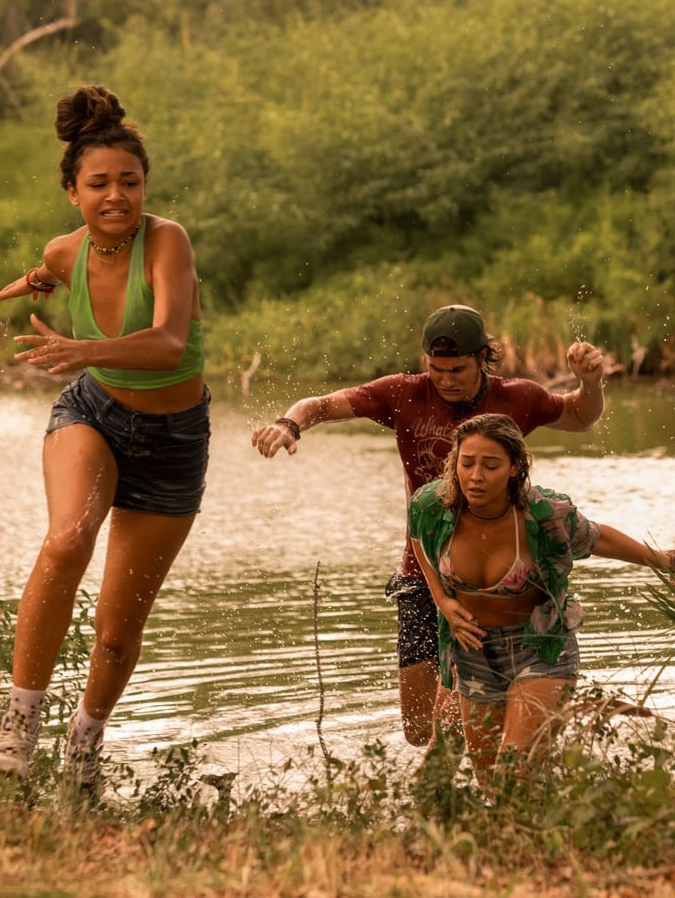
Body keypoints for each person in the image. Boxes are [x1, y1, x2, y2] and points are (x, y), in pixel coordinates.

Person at [0, 85, 209, 789]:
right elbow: (53, 268)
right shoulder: (65, 247)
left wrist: (83, 348)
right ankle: (16, 734)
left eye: (129, 182)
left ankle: (83, 745)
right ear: (73, 191)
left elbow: (170, 341)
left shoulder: (167, 241)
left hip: (173, 436)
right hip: (94, 413)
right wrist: (25, 286)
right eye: (99, 183)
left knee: (115, 629)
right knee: (67, 537)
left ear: (145, 187)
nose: (117, 195)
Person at [251, 304, 605, 746]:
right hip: (423, 572)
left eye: (457, 369)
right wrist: (290, 423)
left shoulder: (518, 398)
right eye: (435, 369)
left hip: (493, 578)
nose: (445, 379)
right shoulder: (403, 393)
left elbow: (579, 416)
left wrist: (591, 383)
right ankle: (469, 771)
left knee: (456, 725)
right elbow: (320, 405)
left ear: (484, 357)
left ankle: (496, 774)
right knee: (420, 730)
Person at [408, 412, 674, 785]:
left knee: (514, 771)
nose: (476, 476)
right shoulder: (432, 506)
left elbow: (599, 538)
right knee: (488, 779)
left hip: (541, 646)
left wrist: (663, 562)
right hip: (473, 650)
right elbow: (417, 539)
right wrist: (441, 599)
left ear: (515, 467)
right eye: (466, 464)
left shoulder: (545, 515)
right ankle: (523, 838)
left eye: (491, 465)